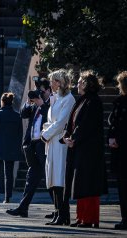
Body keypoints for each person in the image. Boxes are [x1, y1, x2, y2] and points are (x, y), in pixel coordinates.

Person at [60, 70, 107, 228]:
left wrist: (74, 138)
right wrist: (66, 136)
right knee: (80, 183)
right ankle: (82, 217)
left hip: (89, 150)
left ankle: (89, 218)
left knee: (88, 183)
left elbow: (86, 125)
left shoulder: (93, 101)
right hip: (80, 148)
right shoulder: (82, 100)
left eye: (80, 82)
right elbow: (72, 122)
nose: (78, 84)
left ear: (88, 84)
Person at [6, 89, 49, 218]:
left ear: (47, 91)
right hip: (32, 144)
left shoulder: (51, 104)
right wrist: (28, 102)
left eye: (42, 90)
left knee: (50, 176)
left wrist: (42, 104)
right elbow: (23, 114)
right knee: (31, 178)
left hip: (43, 145)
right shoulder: (33, 105)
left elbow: (50, 118)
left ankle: (61, 210)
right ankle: (23, 208)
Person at [41, 69, 75, 226]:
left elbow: (61, 122)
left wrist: (45, 134)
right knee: (52, 179)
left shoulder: (68, 99)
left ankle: (63, 214)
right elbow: (52, 121)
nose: (50, 84)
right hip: (52, 141)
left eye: (52, 81)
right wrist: (46, 131)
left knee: (59, 178)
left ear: (59, 82)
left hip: (59, 143)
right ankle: (58, 212)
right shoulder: (57, 98)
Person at [108, 71, 127, 230]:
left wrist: (116, 139)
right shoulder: (119, 102)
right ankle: (124, 218)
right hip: (120, 149)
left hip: (123, 149)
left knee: (124, 185)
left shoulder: (121, 102)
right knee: (122, 185)